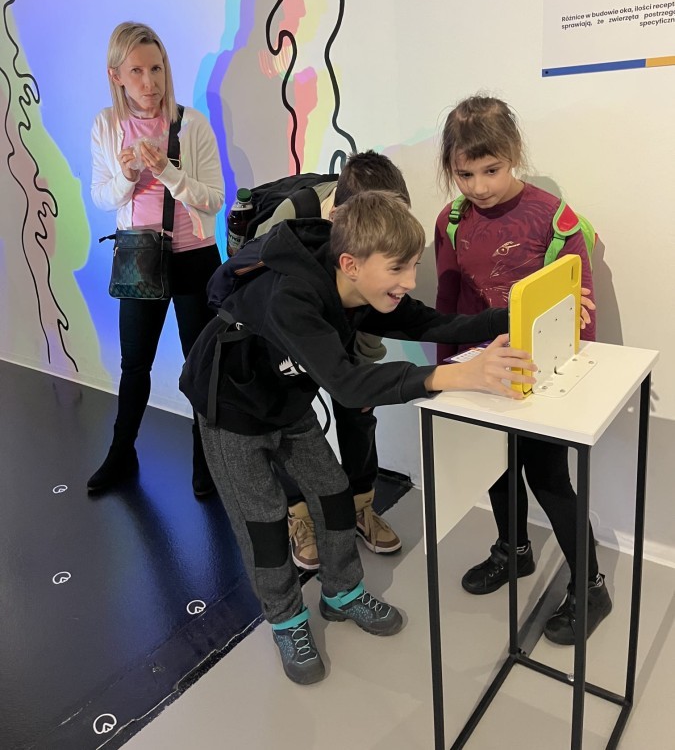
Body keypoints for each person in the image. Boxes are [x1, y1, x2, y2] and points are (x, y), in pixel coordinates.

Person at [180, 190, 536, 684]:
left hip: (287, 403)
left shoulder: (360, 290)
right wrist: (457, 375)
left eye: (413, 266)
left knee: (333, 492)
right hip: (229, 410)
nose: (408, 281)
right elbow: (348, 385)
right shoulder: (292, 297)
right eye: (398, 269)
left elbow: (432, 322)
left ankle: (342, 593)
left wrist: (518, 314)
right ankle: (286, 621)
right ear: (351, 264)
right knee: (263, 523)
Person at [434, 94, 612, 644]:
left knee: (548, 478)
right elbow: (447, 303)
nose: (479, 186)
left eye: (492, 170)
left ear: (513, 154)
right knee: (495, 468)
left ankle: (592, 586)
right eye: (465, 174)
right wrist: (446, 376)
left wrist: (564, 392)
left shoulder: (554, 220)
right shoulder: (451, 221)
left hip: (541, 378)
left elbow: (580, 311)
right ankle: (513, 550)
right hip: (481, 372)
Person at [254, 151, 412, 570]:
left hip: (348, 323)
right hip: (286, 334)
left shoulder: (388, 217)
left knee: (359, 412)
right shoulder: (290, 218)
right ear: (340, 216)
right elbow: (266, 298)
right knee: (287, 419)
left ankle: (361, 506)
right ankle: (299, 515)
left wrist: (362, 373)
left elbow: (380, 304)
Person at [88, 22, 225, 498]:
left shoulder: (191, 124)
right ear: (116, 76)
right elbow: (102, 196)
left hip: (196, 258)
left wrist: (168, 171)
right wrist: (127, 175)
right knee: (134, 365)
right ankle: (120, 454)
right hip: (139, 258)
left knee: (201, 367)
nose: (150, 82)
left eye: (157, 68)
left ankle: (208, 462)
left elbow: (214, 199)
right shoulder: (107, 125)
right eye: (137, 71)